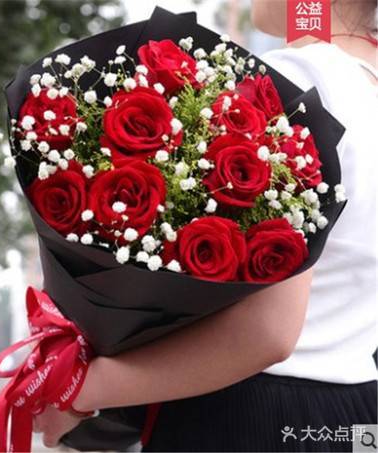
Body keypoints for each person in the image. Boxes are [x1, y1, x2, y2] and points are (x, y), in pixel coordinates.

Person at [34, 1, 377, 451]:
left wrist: (78, 388)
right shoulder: (365, 86)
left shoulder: (301, 81)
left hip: (250, 418)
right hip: (356, 413)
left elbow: (268, 334)